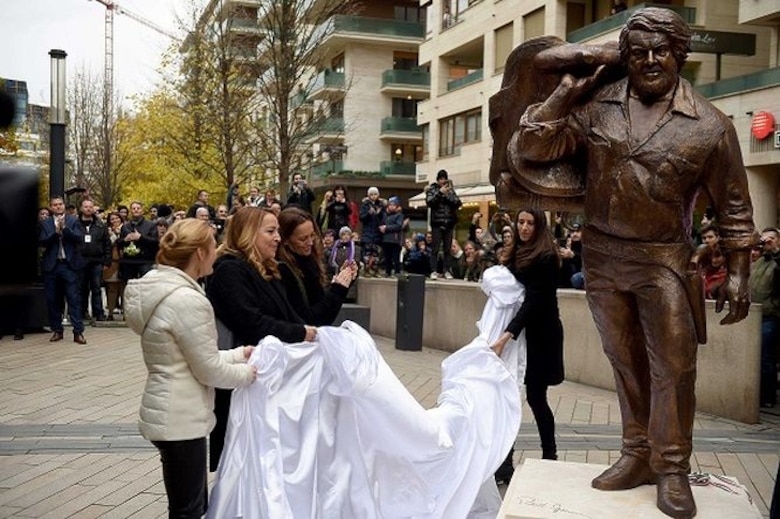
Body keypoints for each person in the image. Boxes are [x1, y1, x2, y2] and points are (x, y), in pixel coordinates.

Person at [512, 8, 755, 517]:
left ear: (680, 56)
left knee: (673, 368)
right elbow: (534, 147)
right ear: (625, 55)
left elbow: (735, 207)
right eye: (637, 50)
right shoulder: (598, 105)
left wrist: (737, 273)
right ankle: (636, 452)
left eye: (660, 50)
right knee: (625, 363)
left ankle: (671, 468)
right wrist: (568, 89)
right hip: (603, 257)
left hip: (665, 260)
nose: (649, 60)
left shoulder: (711, 126)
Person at [123, 219, 257, 519]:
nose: (217, 251)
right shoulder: (187, 300)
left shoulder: (165, 290)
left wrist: (238, 355)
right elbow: (208, 370)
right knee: (188, 510)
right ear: (199, 252)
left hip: (171, 411)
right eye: (213, 245)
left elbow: (191, 355)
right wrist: (249, 375)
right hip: (181, 417)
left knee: (190, 506)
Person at [205, 206, 316, 471]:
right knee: (240, 464)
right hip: (243, 380)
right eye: (271, 231)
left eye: (278, 230)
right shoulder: (229, 270)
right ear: (248, 234)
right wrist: (301, 333)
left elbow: (293, 315)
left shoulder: (268, 269)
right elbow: (251, 322)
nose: (278, 237)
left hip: (267, 380)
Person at [490, 208, 564, 484]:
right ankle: (504, 465)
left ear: (539, 226)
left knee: (535, 397)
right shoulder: (514, 254)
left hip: (540, 337)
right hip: (519, 335)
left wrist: (506, 335)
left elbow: (534, 301)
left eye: (530, 223)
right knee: (508, 397)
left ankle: (550, 457)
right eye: (520, 222)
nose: (523, 227)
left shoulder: (546, 257)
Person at [277, 207, 357, 326]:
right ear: (286, 240)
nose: (310, 242)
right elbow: (309, 320)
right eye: (303, 239)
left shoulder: (311, 261)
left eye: (312, 235)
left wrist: (342, 282)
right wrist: (338, 289)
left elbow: (324, 312)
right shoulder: (283, 271)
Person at [39, 196, 88, 345]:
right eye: (55, 205)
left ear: (64, 206)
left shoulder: (73, 220)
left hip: (69, 265)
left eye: (60, 204)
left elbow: (79, 237)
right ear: (51, 207)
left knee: (73, 298)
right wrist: (55, 232)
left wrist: (65, 229)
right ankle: (57, 330)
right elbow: (42, 241)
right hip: (52, 266)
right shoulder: (45, 223)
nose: (58, 207)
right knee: (53, 299)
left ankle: (78, 332)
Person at [749, 227, 779, 409]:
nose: (767, 242)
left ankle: (768, 396)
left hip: (771, 316)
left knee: (765, 356)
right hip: (755, 315)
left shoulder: (777, 262)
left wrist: (776, 251)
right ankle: (758, 396)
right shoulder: (759, 262)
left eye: (771, 239)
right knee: (756, 357)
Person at [77, 199, 112, 322]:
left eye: (90, 207)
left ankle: (99, 313)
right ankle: (82, 312)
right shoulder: (75, 224)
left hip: (97, 260)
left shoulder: (100, 224)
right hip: (80, 260)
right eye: (85, 206)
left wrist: (107, 261)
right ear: (81, 208)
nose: (88, 209)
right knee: (81, 288)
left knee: (96, 288)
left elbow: (107, 244)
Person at [425, 170, 462, 279]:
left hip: (449, 223)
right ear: (438, 180)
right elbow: (430, 202)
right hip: (437, 223)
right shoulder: (432, 189)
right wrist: (440, 193)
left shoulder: (451, 191)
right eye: (440, 179)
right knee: (435, 249)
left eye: (444, 178)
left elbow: (458, 203)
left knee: (447, 249)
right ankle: (433, 270)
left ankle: (447, 270)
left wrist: (447, 195)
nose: (442, 181)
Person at [118, 201, 159, 283]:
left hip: (145, 261)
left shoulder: (151, 225)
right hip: (129, 261)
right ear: (130, 211)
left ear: (142, 210)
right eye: (133, 208)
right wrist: (125, 240)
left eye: (138, 208)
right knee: (129, 286)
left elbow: (155, 242)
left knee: (145, 285)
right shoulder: (125, 226)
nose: (136, 210)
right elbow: (119, 243)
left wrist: (140, 237)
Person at [359, 187, 385, 278]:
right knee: (367, 253)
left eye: (375, 194)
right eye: (371, 194)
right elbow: (361, 218)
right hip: (368, 232)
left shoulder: (381, 205)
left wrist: (379, 213)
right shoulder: (365, 205)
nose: (373, 196)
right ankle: (366, 270)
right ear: (368, 195)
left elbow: (384, 218)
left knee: (376, 254)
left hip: (378, 232)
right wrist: (368, 214)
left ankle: (375, 270)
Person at [379, 196, 404, 277]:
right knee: (387, 257)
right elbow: (381, 222)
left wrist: (387, 228)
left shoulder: (399, 215)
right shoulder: (385, 215)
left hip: (395, 240)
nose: (391, 207)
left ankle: (397, 271)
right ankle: (388, 271)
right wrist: (381, 228)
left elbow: (399, 226)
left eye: (393, 205)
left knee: (395, 257)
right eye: (390, 205)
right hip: (386, 239)